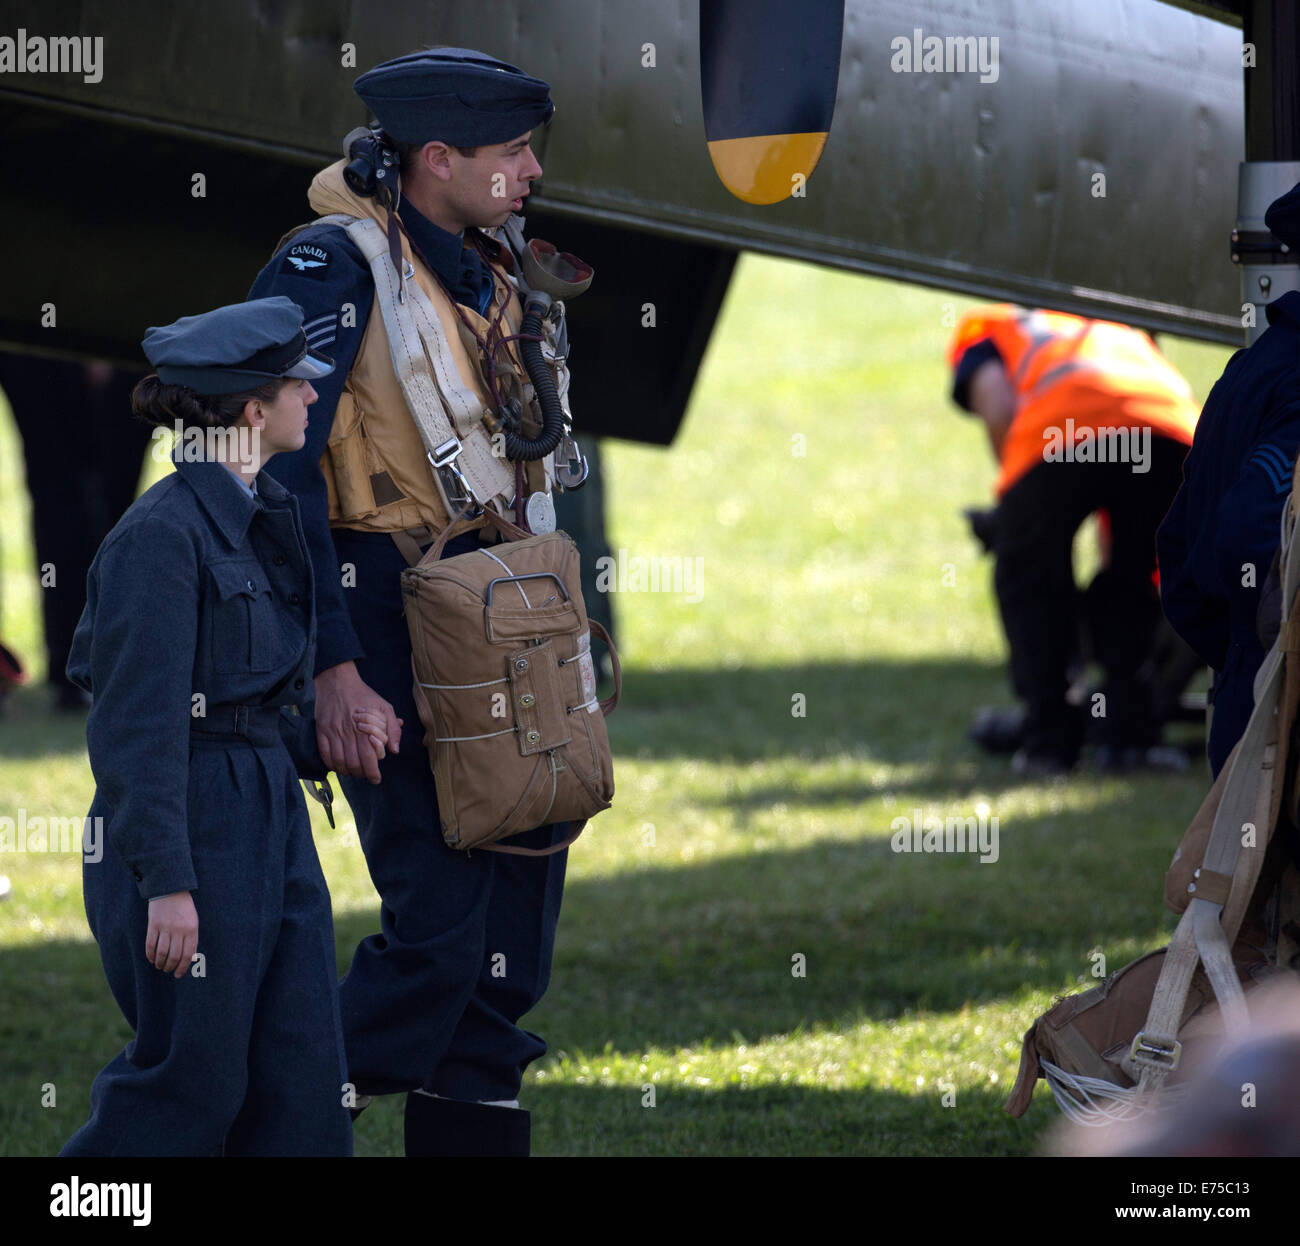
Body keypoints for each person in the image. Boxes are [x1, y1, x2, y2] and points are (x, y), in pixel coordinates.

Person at [248, 48, 581, 1156]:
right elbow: (274, 471)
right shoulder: (327, 266)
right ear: (436, 160)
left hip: (512, 607)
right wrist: (331, 667)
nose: (531, 169)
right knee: (438, 938)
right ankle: (273, 1120)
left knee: (510, 951)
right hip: (385, 608)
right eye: (510, 152)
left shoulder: (490, 260)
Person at [59, 296, 359, 1157]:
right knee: (190, 1088)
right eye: (295, 385)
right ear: (251, 411)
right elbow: (135, 730)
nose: (314, 394)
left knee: (303, 1083)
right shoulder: (160, 537)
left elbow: (256, 680)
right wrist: (167, 883)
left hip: (267, 815)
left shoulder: (260, 511)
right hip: (190, 825)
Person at [947, 306, 1199, 773]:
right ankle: (1131, 736)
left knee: (1032, 580)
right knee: (1133, 578)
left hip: (1062, 428)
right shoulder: (1115, 317)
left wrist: (1018, 517)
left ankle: (1049, 741)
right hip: (1169, 432)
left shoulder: (988, 327)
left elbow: (999, 405)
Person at [1158, 182, 1300, 778]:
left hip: (1248, 687)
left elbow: (1178, 545)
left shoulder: (1253, 365)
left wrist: (1237, 659)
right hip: (1281, 702)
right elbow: (1247, 532)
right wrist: (1271, 658)